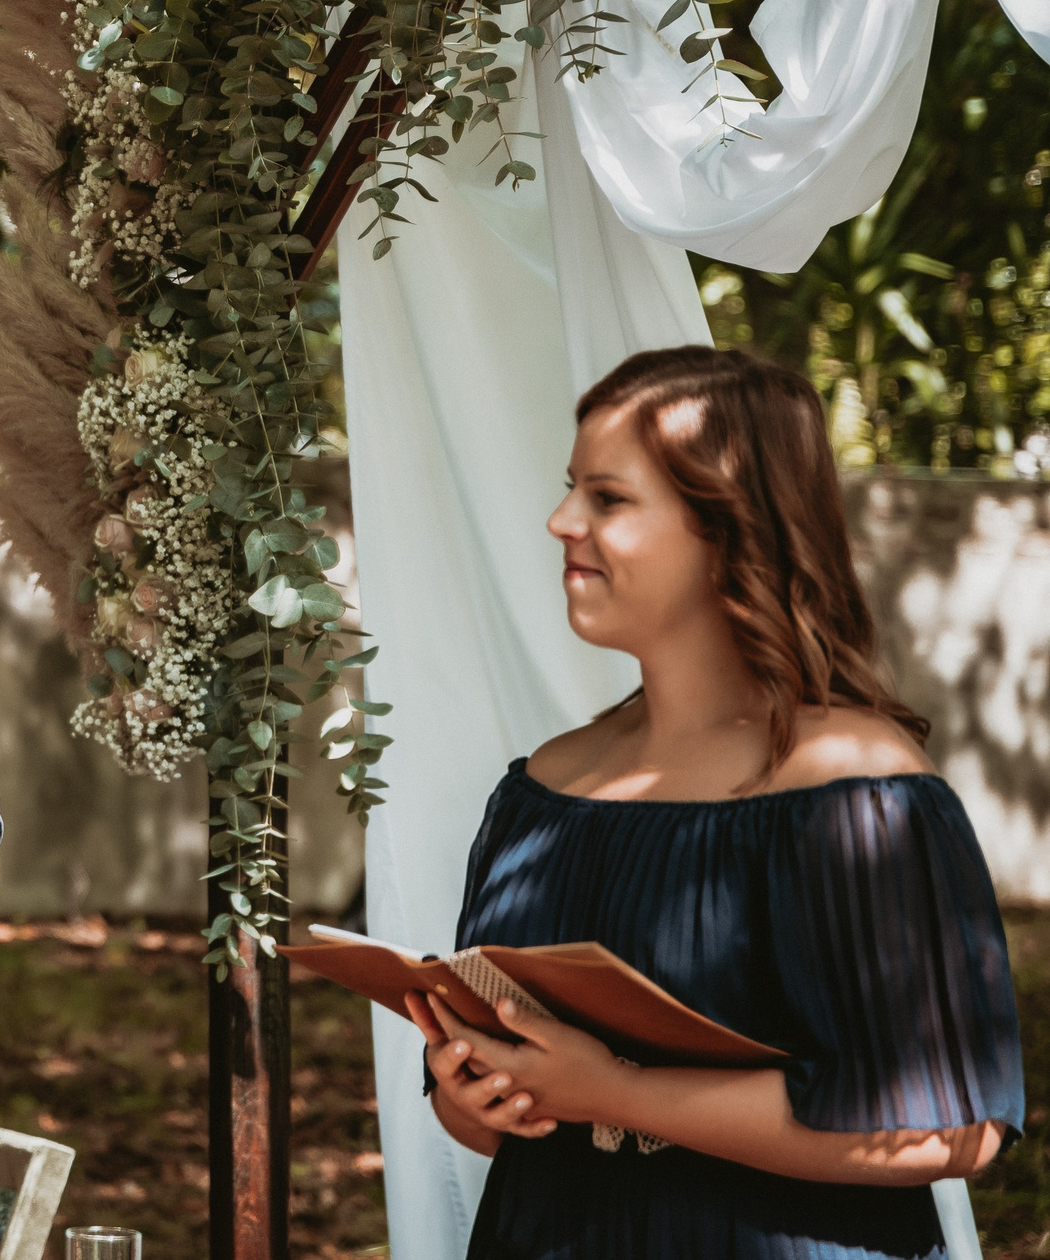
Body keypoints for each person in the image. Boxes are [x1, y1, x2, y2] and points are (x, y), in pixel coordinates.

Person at [407, 346, 1024, 1259]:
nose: (561, 520)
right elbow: (498, 1127)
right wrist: (474, 1090)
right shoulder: (543, 787)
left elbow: (954, 1128)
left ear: (727, 529)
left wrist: (615, 1092)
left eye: (608, 498)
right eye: (572, 488)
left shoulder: (855, 783)